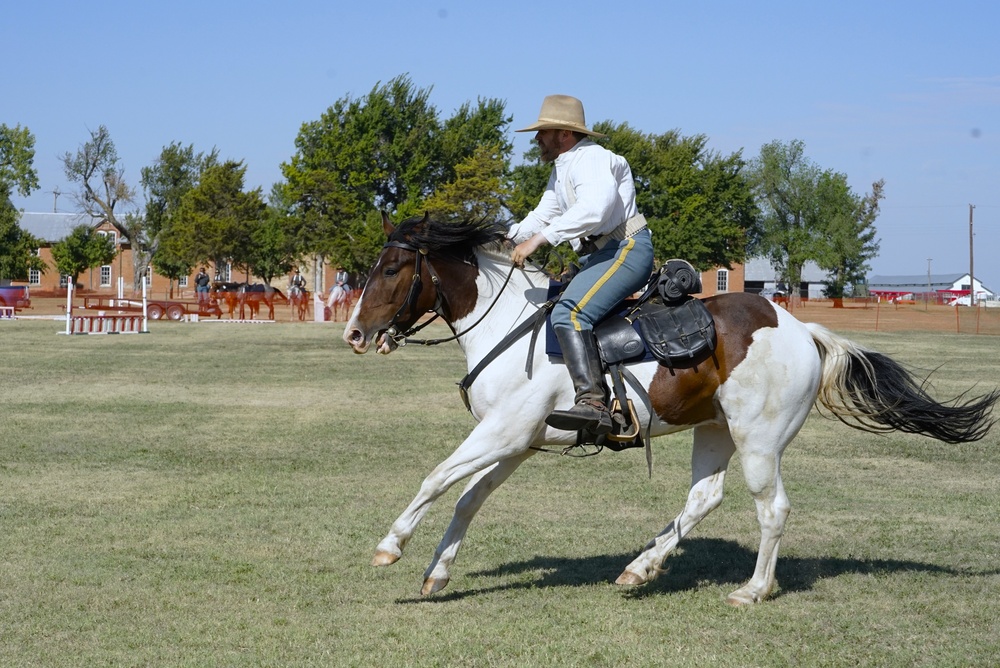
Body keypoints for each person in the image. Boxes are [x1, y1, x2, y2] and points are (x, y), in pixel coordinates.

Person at [508, 95, 655, 434]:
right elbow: (544, 213)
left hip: (625, 250)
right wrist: (509, 237)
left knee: (569, 313)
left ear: (565, 134)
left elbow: (595, 209)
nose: (537, 139)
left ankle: (593, 403)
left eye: (543, 132)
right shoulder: (562, 169)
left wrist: (539, 240)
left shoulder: (592, 158)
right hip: (601, 254)